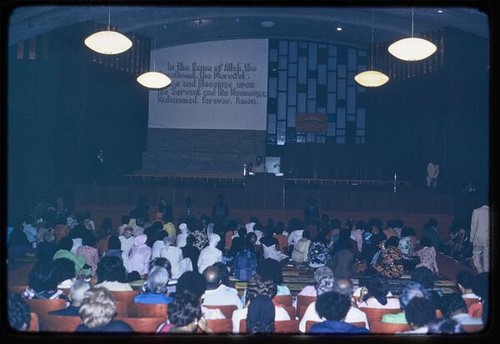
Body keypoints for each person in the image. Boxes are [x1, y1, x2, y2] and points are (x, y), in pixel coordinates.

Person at [470, 192, 489, 273]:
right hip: (488, 238)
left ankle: (480, 271)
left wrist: (471, 239)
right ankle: (486, 273)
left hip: (478, 237)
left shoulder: (476, 211)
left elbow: (473, 226)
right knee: (486, 257)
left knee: (476, 255)